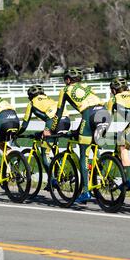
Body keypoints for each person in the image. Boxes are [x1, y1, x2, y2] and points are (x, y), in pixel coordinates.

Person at [47, 68, 109, 204]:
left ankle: (86, 191)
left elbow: (58, 113)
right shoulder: (87, 87)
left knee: (83, 154)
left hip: (88, 115)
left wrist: (51, 130)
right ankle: (101, 172)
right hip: (104, 113)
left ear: (68, 80)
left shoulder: (65, 90)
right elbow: (92, 105)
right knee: (94, 144)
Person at [19, 85, 71, 189]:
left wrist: (18, 133)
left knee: (44, 155)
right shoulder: (49, 99)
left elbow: (24, 124)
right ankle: (57, 173)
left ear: (30, 96)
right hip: (66, 121)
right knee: (53, 147)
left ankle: (53, 179)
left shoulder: (32, 103)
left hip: (53, 122)